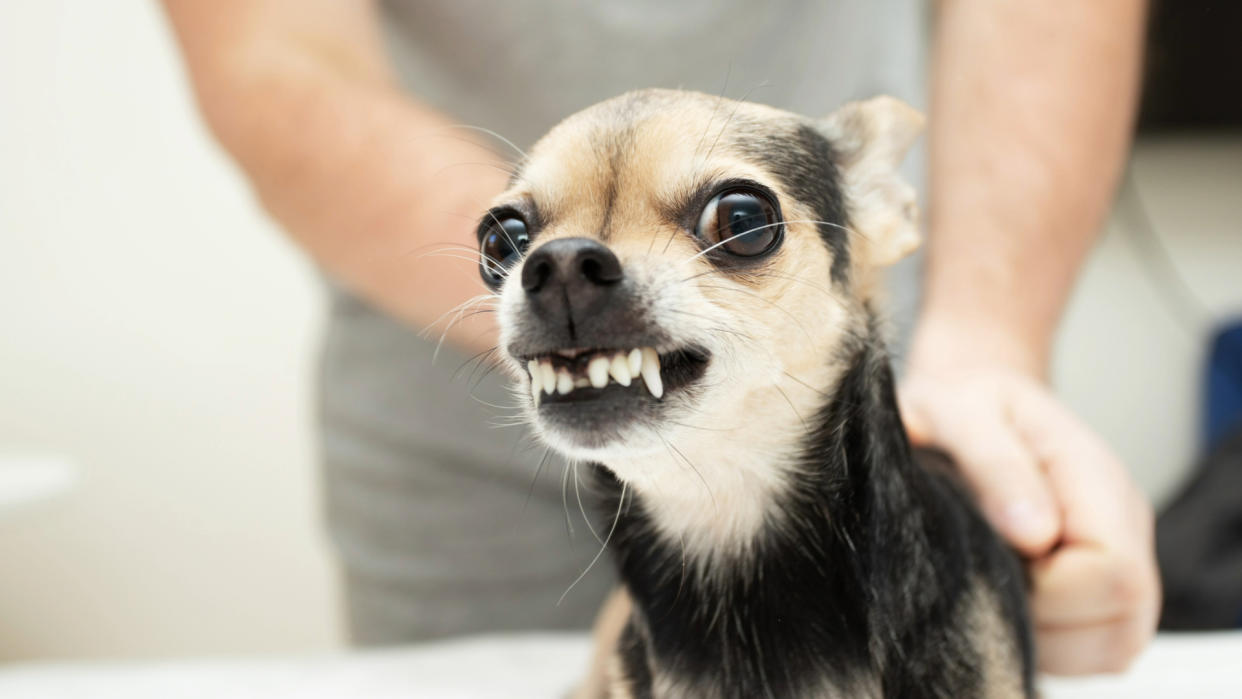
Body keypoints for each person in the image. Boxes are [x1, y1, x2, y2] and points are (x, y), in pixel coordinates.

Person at [161, 0, 1158, 675]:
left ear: (875, 216)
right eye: (516, 244)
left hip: (895, 394)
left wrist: (988, 347)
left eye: (736, 222)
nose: (564, 272)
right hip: (447, 453)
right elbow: (271, 56)